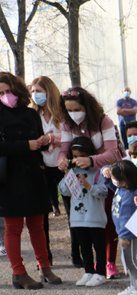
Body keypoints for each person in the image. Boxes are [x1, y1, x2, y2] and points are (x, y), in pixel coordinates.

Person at [0, 72, 59, 289]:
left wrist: (44, 141)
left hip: (33, 174)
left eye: (8, 91)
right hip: (9, 177)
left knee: (37, 225)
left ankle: (45, 267)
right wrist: (26, 145)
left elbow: (38, 140)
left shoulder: (30, 114)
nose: (6, 96)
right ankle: (18, 273)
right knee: (13, 227)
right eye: (0, 93)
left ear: (16, 90)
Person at [58, 86, 123, 279]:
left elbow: (113, 152)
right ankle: (90, 265)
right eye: (69, 110)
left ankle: (109, 261)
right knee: (84, 221)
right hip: (81, 177)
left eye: (77, 109)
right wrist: (61, 160)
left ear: (86, 106)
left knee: (107, 220)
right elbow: (64, 149)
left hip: (104, 172)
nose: (73, 114)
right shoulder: (67, 124)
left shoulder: (104, 121)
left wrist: (92, 160)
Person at [59, 137, 108, 287]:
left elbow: (104, 191)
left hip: (95, 217)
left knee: (98, 246)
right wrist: (67, 172)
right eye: (74, 156)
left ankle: (100, 273)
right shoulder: (73, 172)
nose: (77, 159)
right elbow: (63, 191)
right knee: (84, 246)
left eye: (80, 156)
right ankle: (88, 271)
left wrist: (88, 186)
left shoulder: (98, 171)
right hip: (78, 218)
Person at [29, 75, 64, 270]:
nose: (35, 95)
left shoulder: (62, 112)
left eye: (39, 91)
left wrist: (52, 139)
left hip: (62, 165)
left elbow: (68, 136)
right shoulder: (32, 114)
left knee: (73, 211)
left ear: (49, 92)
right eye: (33, 91)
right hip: (41, 168)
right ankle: (45, 257)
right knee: (42, 217)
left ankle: (79, 253)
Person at [109, 160, 137, 295]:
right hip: (122, 233)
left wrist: (124, 236)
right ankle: (133, 286)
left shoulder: (130, 195)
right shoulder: (122, 189)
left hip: (129, 235)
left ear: (124, 181)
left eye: (114, 178)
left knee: (131, 262)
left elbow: (127, 218)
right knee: (128, 261)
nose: (112, 180)